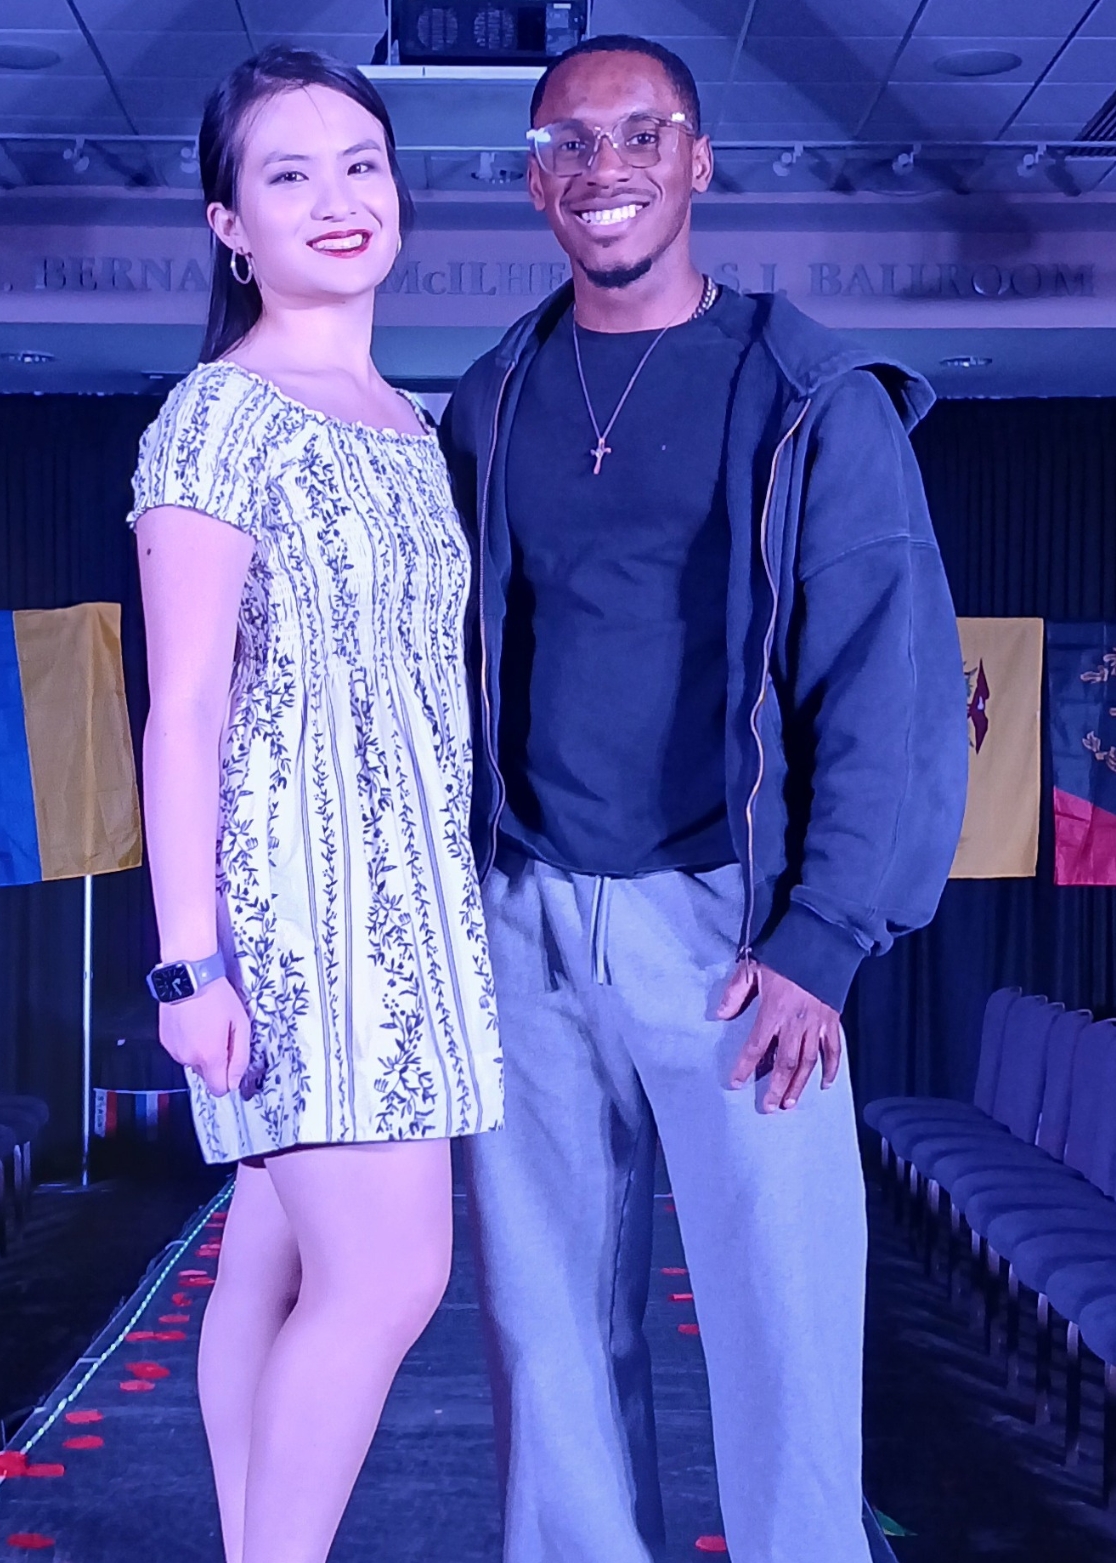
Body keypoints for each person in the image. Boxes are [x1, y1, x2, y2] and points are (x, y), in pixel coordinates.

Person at [438, 34, 968, 1563]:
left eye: (637, 136)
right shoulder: (493, 399)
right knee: (546, 1344)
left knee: (785, 1339)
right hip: (526, 919)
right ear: (538, 180)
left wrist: (826, 939)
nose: (602, 172)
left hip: (735, 937)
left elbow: (891, 679)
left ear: (699, 160)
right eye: (566, 147)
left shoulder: (810, 395)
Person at [129, 46, 503, 1563]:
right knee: (390, 1278)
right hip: (302, 911)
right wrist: (188, 961)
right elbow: (187, 708)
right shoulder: (221, 416)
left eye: (361, 163)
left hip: (413, 892)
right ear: (230, 224)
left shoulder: (409, 422)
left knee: (274, 1262)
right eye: (289, 175)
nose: (338, 200)